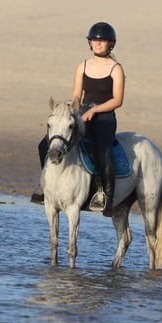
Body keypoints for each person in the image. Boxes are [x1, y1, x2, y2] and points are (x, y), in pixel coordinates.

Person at [36, 22, 125, 217]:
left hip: (105, 117)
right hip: (81, 113)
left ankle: (105, 196)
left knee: (103, 151)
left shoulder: (116, 69)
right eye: (95, 40)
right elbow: (77, 95)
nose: (98, 43)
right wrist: (68, 110)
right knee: (45, 144)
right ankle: (46, 188)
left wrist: (95, 110)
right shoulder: (82, 66)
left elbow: (117, 100)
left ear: (111, 44)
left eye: (102, 41)